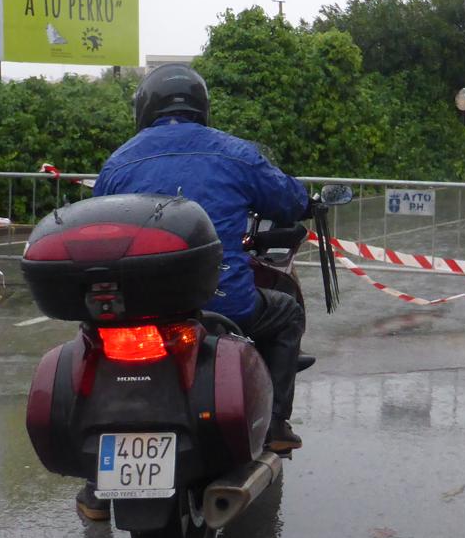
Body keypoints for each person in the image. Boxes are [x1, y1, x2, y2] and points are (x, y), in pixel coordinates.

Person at [92, 63, 311, 449]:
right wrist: (306, 200)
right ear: (201, 107)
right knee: (287, 314)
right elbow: (288, 198)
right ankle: (275, 426)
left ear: (144, 109)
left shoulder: (117, 163)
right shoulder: (235, 152)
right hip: (223, 302)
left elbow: (100, 224)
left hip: (136, 306)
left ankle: (97, 476)